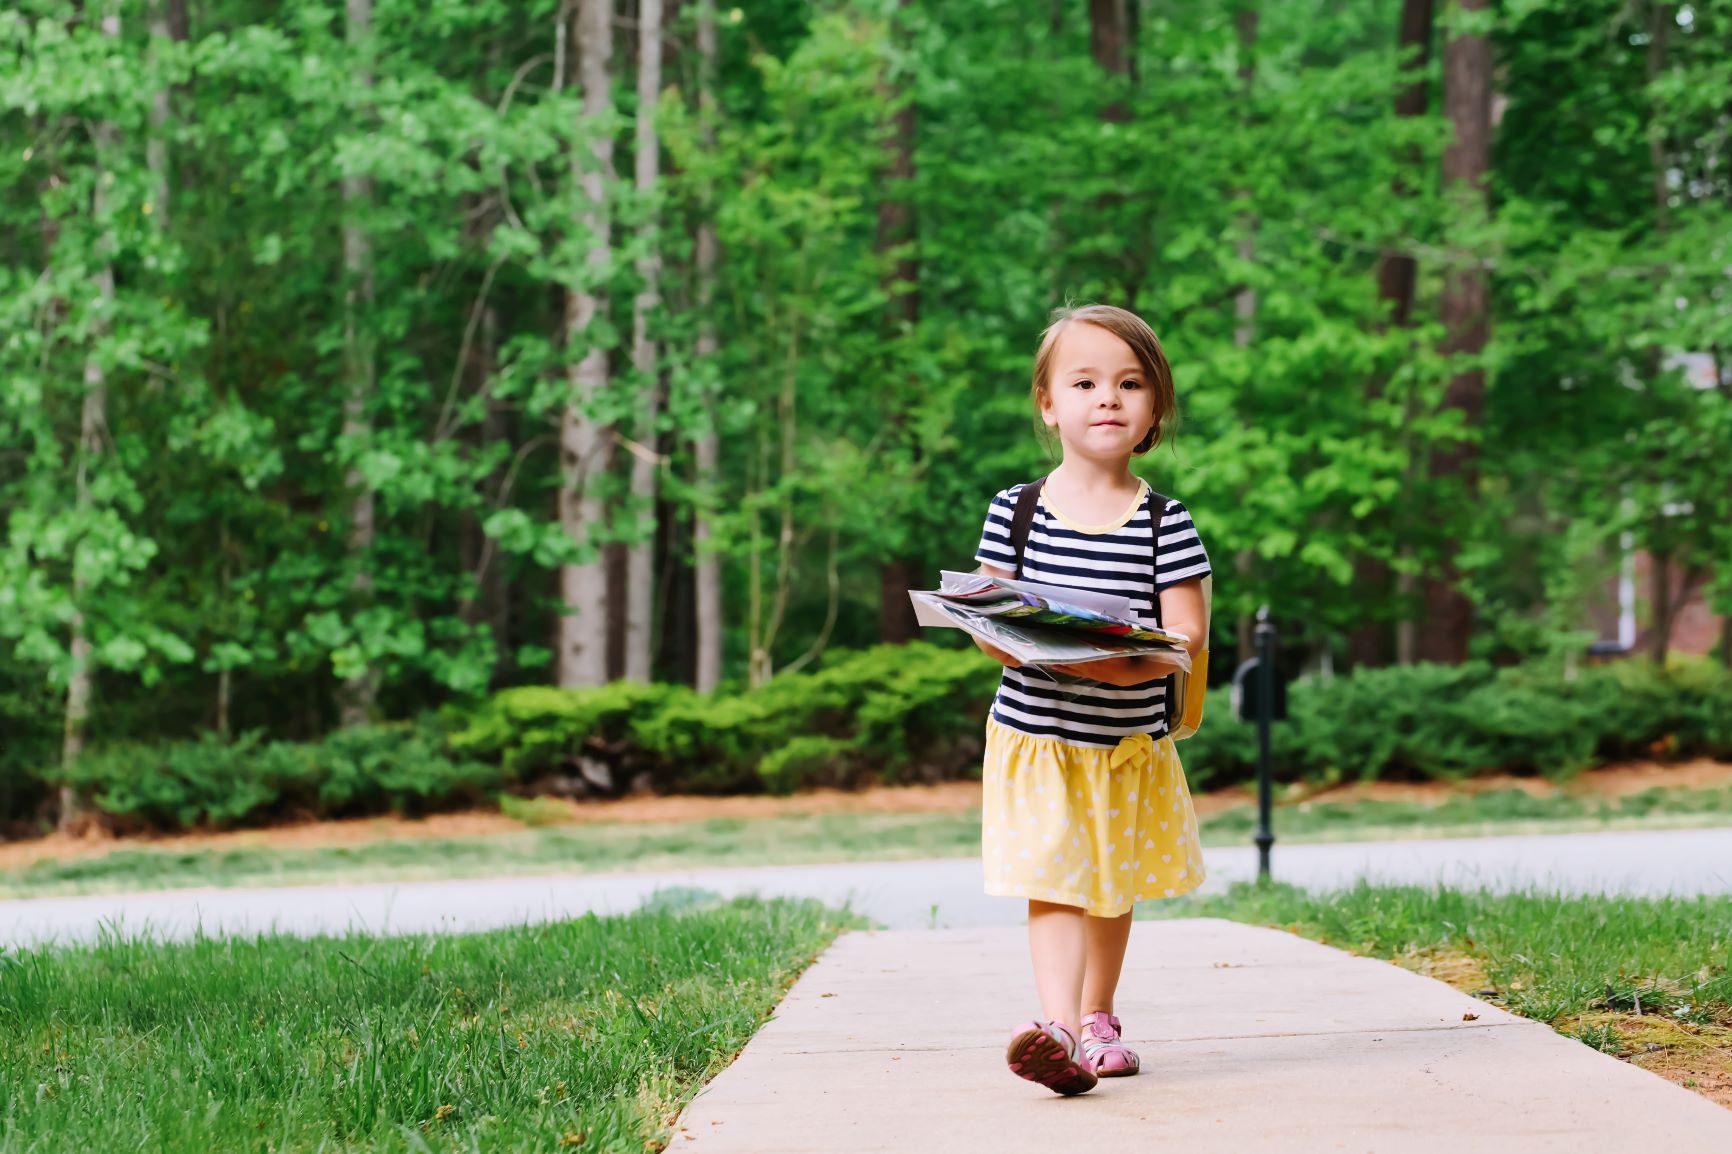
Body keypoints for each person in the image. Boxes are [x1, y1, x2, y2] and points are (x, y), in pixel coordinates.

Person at [972, 303, 1211, 1096]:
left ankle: (1100, 1015)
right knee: (1055, 878)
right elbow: (988, 617)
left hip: (1124, 745)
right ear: (1049, 404)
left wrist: (1122, 659)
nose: (1106, 397)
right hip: (1036, 734)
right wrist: (1019, 635)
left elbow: (1185, 635)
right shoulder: (1018, 511)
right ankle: (1059, 1030)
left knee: (1109, 885)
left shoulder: (1164, 524)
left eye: (1129, 383)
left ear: (1153, 409)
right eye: (1084, 382)